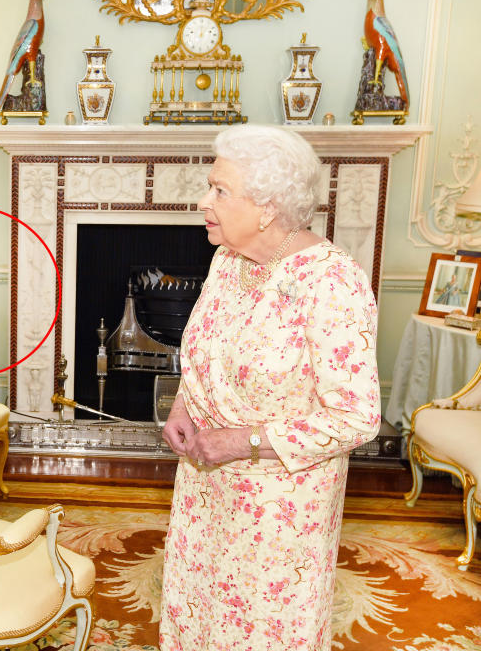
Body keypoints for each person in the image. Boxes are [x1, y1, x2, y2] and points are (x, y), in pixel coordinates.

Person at [159, 125, 380, 650]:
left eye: (219, 190)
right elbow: (206, 350)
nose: (202, 201)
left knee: (263, 627)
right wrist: (185, 406)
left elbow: (356, 417)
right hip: (205, 484)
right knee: (200, 608)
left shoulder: (332, 283)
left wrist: (238, 442)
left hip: (279, 507)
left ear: (267, 207)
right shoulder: (228, 260)